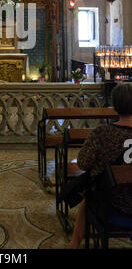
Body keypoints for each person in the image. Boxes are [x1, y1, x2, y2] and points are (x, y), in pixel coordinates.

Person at [68, 82, 132, 249]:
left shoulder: (102, 133)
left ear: (115, 106)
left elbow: (83, 163)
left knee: (90, 195)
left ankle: (74, 244)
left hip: (112, 204)